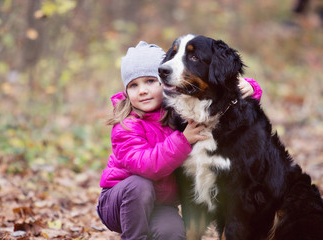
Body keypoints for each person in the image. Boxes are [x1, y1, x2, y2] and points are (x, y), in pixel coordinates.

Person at [97, 41, 262, 240]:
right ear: (126, 92)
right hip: (119, 202)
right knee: (140, 186)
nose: (142, 90)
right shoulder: (127, 125)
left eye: (150, 81)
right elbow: (146, 166)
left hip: (160, 205)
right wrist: (183, 140)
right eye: (133, 85)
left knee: (174, 233)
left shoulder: (178, 111)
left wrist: (249, 87)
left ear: (167, 82)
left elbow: (220, 98)